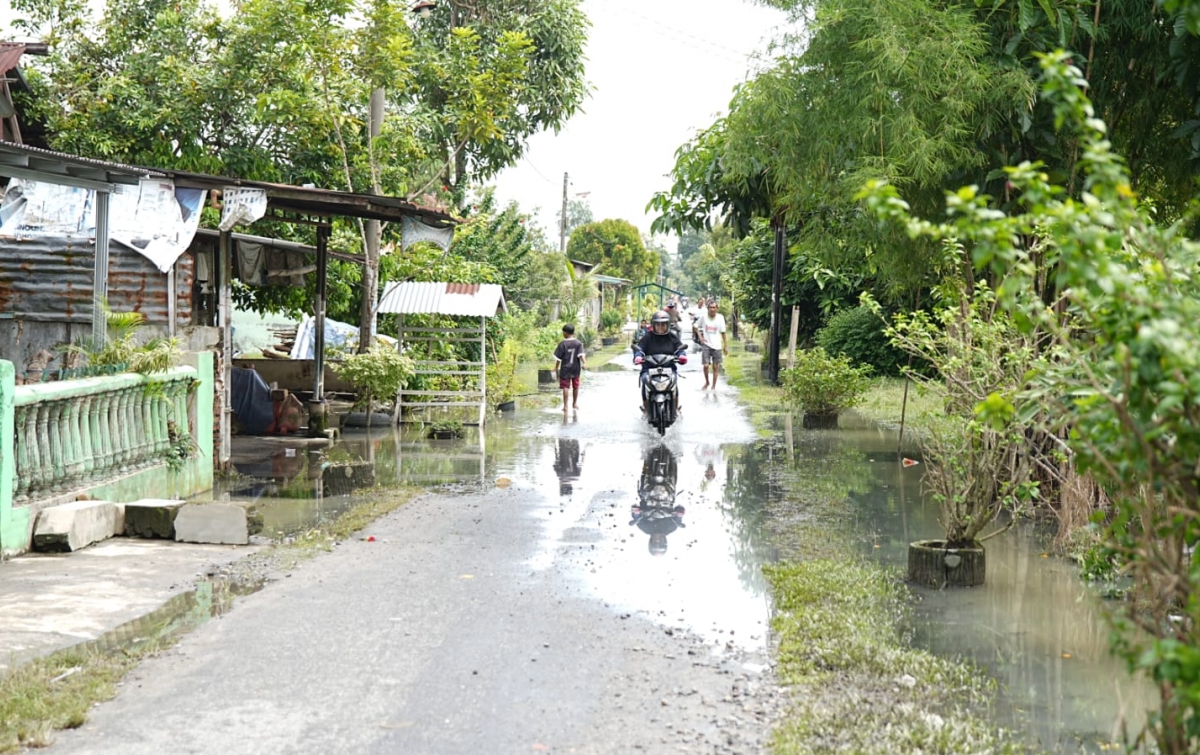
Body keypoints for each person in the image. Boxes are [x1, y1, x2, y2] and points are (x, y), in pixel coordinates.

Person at [633, 310, 687, 413]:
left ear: (667, 325)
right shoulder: (647, 337)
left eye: (663, 325)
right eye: (658, 325)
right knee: (645, 381)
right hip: (649, 369)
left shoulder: (672, 337)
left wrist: (682, 356)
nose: (660, 328)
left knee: (674, 382)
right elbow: (639, 348)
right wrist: (638, 356)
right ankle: (646, 409)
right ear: (654, 325)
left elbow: (680, 348)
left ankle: (675, 409)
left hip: (669, 369)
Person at [553, 323, 586, 412]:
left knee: (565, 387)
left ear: (566, 333)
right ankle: (574, 403)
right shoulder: (578, 343)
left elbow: (558, 359)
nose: (563, 334)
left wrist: (556, 368)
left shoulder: (562, 344)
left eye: (563, 332)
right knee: (576, 386)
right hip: (575, 368)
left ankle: (565, 406)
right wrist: (584, 363)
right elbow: (581, 355)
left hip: (565, 369)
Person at [697, 298, 728, 390]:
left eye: (714, 307)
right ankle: (707, 382)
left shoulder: (720, 318)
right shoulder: (703, 317)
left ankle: (713, 386)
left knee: (715, 366)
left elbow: (723, 332)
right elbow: (695, 326)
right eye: (710, 307)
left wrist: (725, 345)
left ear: (717, 308)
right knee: (706, 365)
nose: (712, 309)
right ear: (708, 308)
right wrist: (700, 337)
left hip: (717, 345)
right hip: (706, 344)